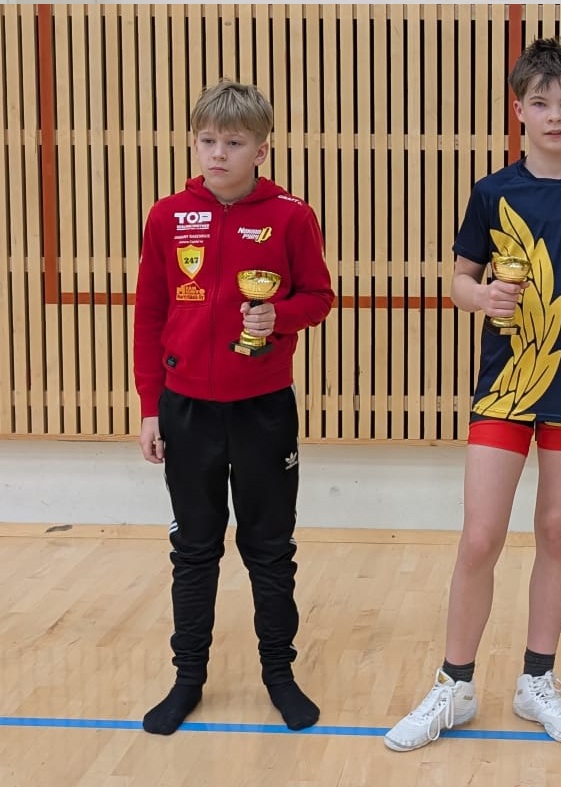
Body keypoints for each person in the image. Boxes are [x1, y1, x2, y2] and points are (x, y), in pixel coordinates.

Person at [384, 36, 561, 751]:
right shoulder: (492, 192)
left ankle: (537, 681)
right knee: (480, 538)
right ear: (519, 110)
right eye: (540, 102)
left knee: (557, 531)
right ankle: (454, 684)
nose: (554, 115)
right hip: (503, 390)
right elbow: (458, 280)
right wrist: (481, 298)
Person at [133, 80, 334, 735]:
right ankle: (187, 679)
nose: (218, 153)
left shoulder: (291, 216)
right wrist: (150, 406)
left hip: (263, 410)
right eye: (208, 140)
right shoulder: (168, 216)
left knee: (269, 550)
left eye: (234, 142)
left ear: (261, 150)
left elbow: (318, 297)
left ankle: (279, 675)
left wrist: (280, 316)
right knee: (193, 550)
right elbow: (150, 313)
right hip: (186, 410)